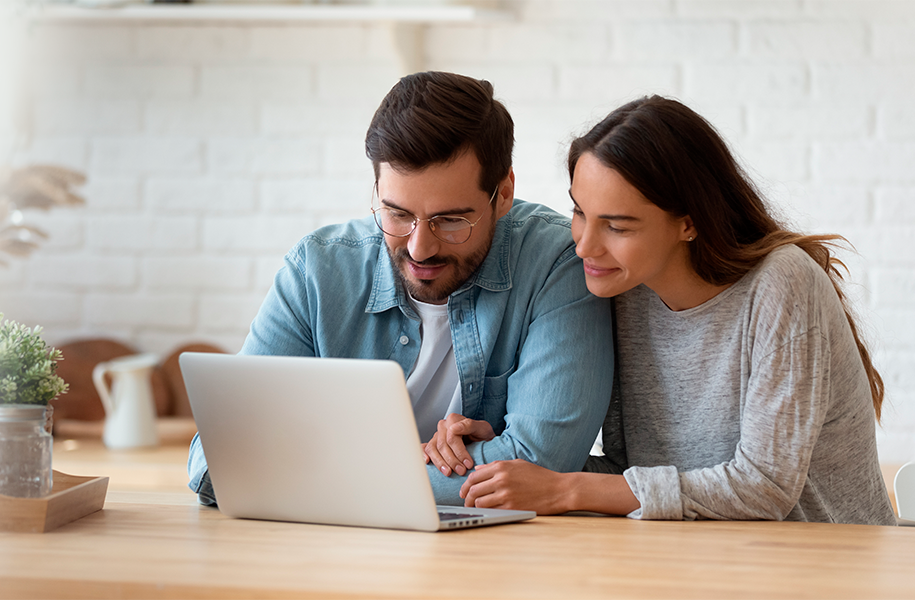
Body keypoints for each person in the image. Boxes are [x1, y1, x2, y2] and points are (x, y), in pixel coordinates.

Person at [443, 96, 897, 525]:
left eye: (617, 226)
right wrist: (517, 463)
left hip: (827, 563)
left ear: (689, 222)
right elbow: (635, 474)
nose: (582, 245)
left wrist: (567, 490)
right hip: (706, 560)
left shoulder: (781, 284)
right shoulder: (625, 290)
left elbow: (765, 486)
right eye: (580, 213)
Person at [186, 72, 614, 507]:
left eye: (450, 221)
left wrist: (316, 472)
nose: (420, 248)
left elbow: (542, 464)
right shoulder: (317, 271)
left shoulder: (557, 263)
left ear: (502, 194)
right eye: (396, 214)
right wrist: (405, 467)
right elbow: (216, 459)